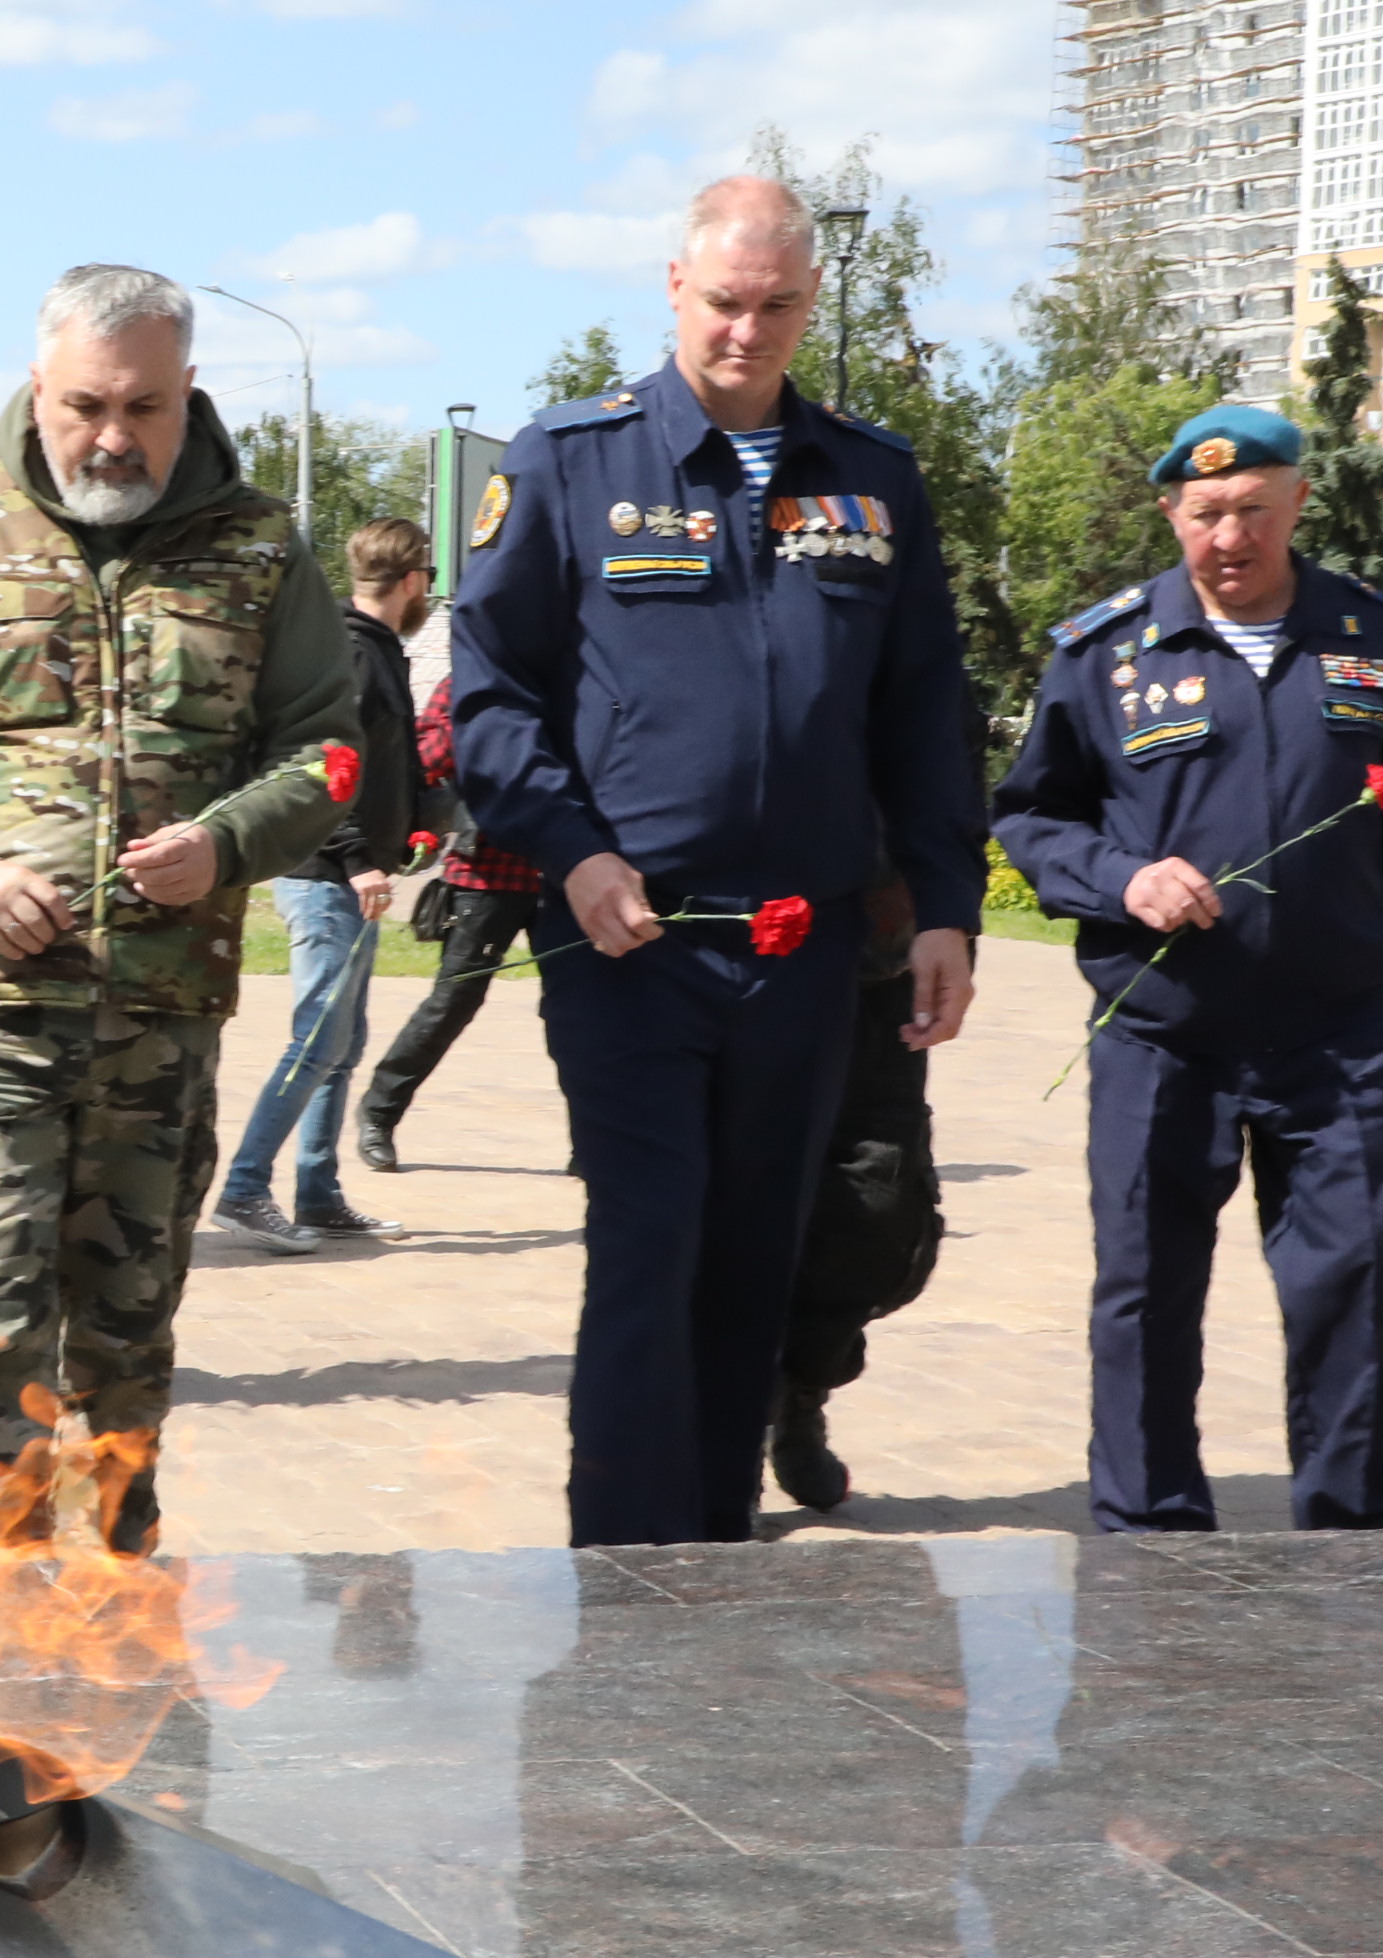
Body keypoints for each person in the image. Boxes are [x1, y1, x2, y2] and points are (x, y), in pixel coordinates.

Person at [452, 178, 985, 1549]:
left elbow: (926, 711)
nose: (747, 332)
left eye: (776, 306)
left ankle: (709, 1559)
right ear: (674, 288)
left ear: (809, 303)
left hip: (804, 947)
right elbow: (493, 696)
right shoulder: (573, 461)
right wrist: (570, 853)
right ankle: (626, 1570)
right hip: (627, 937)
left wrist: (943, 909)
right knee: (650, 1243)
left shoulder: (874, 479)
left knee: (758, 1254)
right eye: (724, 302)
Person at [0, 264, 357, 1547]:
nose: (112, 436)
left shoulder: (262, 546)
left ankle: (113, 1617)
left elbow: (331, 753)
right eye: (84, 405)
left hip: (159, 1023)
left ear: (189, 395)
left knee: (124, 1343)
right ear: (37, 384)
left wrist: (226, 844)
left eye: (145, 407)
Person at [992, 402, 1383, 1533]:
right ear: (1171, 514)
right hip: (1166, 1029)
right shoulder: (1103, 654)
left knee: (1359, 1278)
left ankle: (1350, 1521)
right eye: (1205, 515)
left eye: (1253, 510)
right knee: (1147, 1287)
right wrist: (1123, 879)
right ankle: (1149, 1527)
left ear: (1298, 502)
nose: (1229, 538)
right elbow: (1029, 818)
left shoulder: (1378, 638)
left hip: (1341, 1030)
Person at [215, 513, 431, 1251]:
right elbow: (319, 768)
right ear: (411, 581)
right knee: (316, 1043)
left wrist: (408, 832)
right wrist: (359, 856)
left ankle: (318, 1191)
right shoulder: (355, 656)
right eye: (427, 576)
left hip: (354, 874)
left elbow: (386, 768)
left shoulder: (380, 652)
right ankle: (245, 1187)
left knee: (342, 1043)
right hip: (325, 876)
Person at [769, 863, 945, 1513]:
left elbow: (948, 803)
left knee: (881, 1205)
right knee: (752, 1198)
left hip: (886, 958)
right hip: (756, 947)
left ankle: (804, 1386)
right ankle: (739, 1421)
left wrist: (951, 917)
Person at [355, 588, 546, 1174]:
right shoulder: (467, 685)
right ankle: (379, 1112)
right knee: (455, 999)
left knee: (578, 1007)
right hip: (488, 870)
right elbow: (426, 757)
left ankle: (594, 1141)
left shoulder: (570, 683)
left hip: (565, 871)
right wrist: (483, 730)